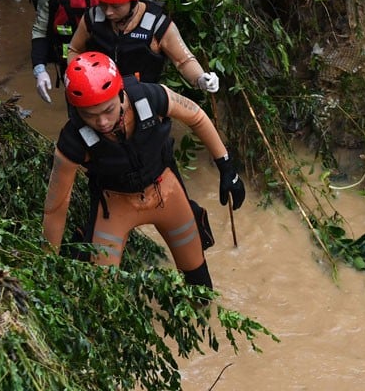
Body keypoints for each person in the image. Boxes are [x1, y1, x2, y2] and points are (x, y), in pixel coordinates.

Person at [41, 52, 246, 288]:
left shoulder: (149, 96)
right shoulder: (72, 140)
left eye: (108, 110)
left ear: (120, 94)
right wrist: (48, 263)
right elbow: (55, 208)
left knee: (198, 283)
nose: (103, 123)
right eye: (90, 115)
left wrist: (227, 168)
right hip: (115, 205)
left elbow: (196, 117)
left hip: (166, 194)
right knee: (102, 291)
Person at [68, 0, 220, 91]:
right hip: (100, 99)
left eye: (116, 6)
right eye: (103, 4)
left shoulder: (157, 24)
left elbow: (183, 61)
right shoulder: (93, 18)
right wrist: (78, 79)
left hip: (143, 100)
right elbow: (74, 49)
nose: (107, 12)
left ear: (133, 0)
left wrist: (200, 79)